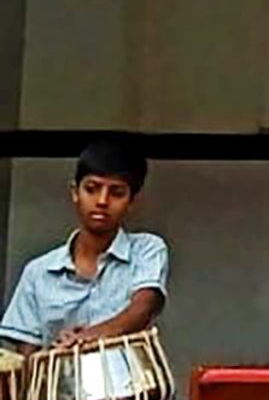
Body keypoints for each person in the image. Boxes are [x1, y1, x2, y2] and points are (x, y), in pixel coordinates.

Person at [0, 138, 168, 350]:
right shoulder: (38, 272)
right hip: (61, 383)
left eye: (116, 193)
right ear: (75, 192)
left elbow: (143, 308)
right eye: (91, 189)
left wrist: (89, 336)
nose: (102, 201)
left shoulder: (147, 249)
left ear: (132, 201)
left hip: (132, 383)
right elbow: (27, 355)